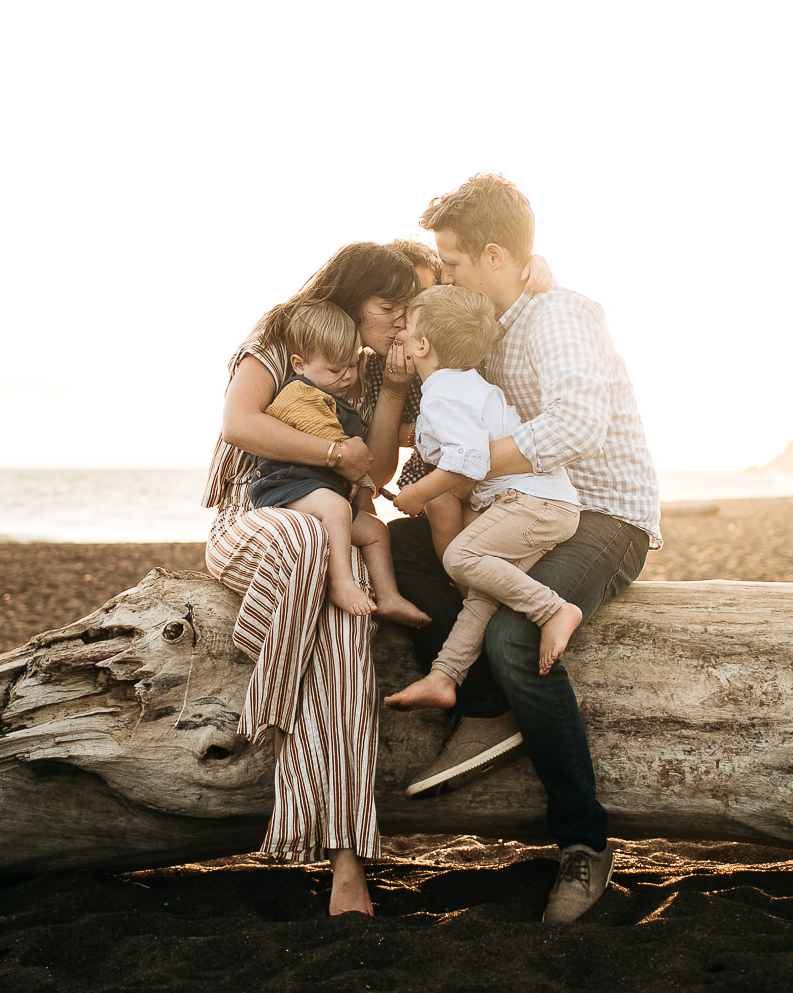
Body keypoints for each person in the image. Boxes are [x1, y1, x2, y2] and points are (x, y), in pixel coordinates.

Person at [388, 173, 661, 925]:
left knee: (516, 634)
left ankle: (584, 844)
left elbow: (577, 426)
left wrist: (467, 468)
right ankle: (484, 707)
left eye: (451, 263)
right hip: (522, 508)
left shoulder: (560, 315)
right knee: (402, 550)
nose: (443, 276)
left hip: (603, 513)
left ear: (495, 256)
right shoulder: (488, 324)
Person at [201, 242, 429, 917]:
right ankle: (273, 695)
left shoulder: (370, 369)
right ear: (352, 300)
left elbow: (374, 473)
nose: (399, 320)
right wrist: (331, 451)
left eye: (406, 308)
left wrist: (392, 390)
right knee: (308, 540)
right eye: (388, 307)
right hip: (253, 516)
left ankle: (346, 860)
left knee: (346, 638)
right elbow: (240, 424)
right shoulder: (283, 341)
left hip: (330, 529)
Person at [383, 285, 583, 712]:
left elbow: (469, 460)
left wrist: (418, 492)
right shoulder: (461, 386)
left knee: (459, 558)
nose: (399, 332)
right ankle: (444, 676)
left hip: (533, 504)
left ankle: (553, 610)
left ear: (422, 346)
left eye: (407, 327)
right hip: (539, 504)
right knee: (482, 595)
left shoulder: (443, 395)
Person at [248, 298, 422, 624]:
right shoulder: (298, 393)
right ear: (300, 364)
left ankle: (388, 597)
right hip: (287, 487)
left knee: (376, 531)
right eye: (334, 369)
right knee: (337, 508)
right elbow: (327, 436)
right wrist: (352, 456)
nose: (347, 377)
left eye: (352, 365)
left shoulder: (335, 398)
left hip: (324, 493)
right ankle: (342, 584)